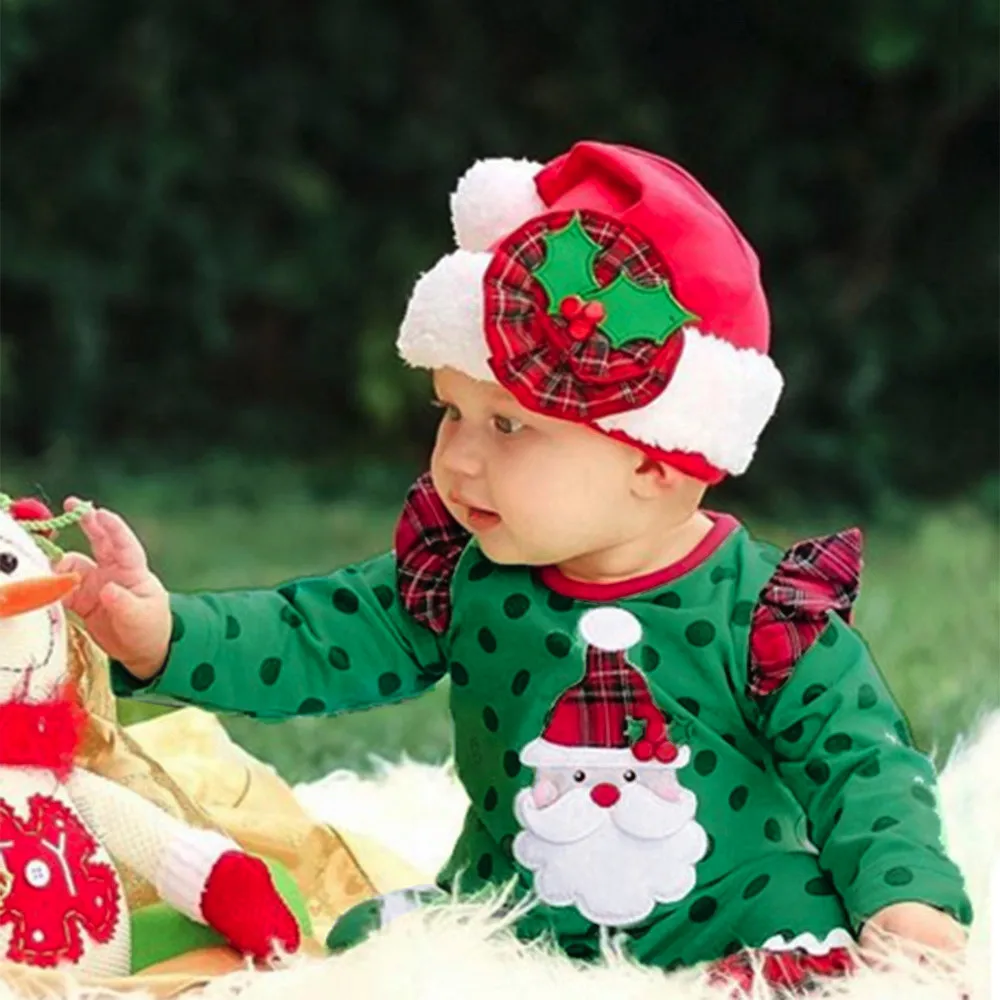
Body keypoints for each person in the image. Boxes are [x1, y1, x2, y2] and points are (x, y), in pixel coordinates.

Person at [57, 142, 970, 992]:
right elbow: (316, 635)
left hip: (736, 916)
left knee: (814, 950)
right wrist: (166, 631)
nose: (454, 458)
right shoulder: (465, 576)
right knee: (382, 949)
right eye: (450, 412)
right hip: (519, 915)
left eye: (508, 427)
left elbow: (865, 766)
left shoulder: (766, 615)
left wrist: (907, 902)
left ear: (656, 460)